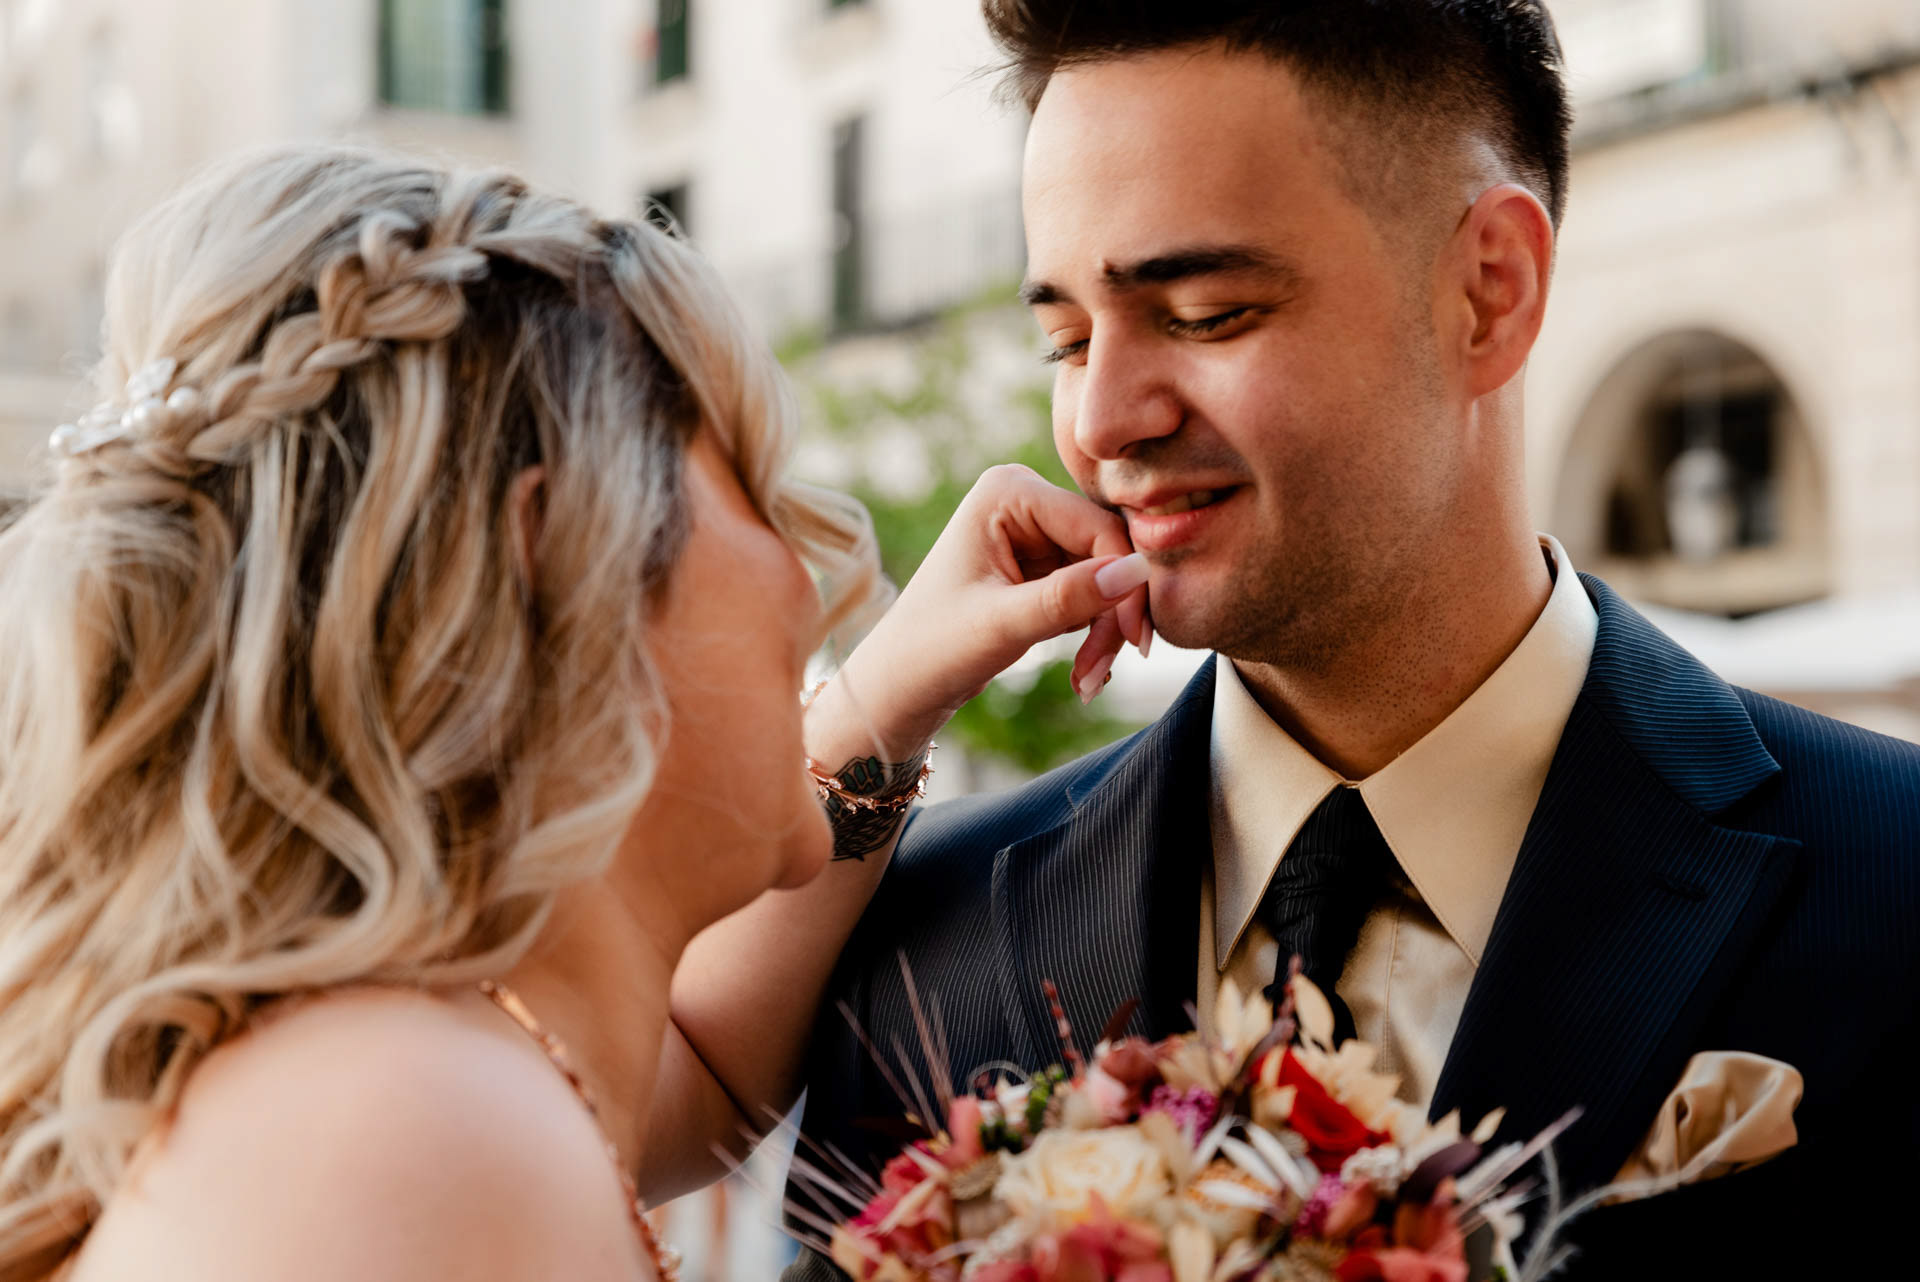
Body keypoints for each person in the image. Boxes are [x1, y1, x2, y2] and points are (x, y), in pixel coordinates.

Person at [782, 2, 1920, 1276]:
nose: (1100, 415)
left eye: (1207, 311)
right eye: (1064, 338)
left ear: (1492, 290)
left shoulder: (1895, 874)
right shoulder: (920, 944)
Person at [0, 144, 1151, 1280]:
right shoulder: (411, 1135)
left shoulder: (425, 1075)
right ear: (559, 560)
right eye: (749, 479)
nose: (809, 578)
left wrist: (891, 698)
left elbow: (698, 1067)